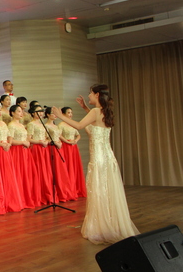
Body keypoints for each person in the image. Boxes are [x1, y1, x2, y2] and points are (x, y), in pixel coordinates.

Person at [52, 84, 139, 244]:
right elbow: (95, 122)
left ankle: (101, 227)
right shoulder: (104, 111)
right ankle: (109, 223)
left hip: (98, 158)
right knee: (107, 191)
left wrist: (60, 116)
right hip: (108, 157)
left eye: (90, 93)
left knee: (99, 190)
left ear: (97, 95)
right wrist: (85, 107)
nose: (89, 96)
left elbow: (79, 126)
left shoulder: (95, 112)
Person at [0, 103, 23, 213]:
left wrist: (8, 144)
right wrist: (2, 144)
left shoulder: (3, 123)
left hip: (5, 149)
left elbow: (9, 136)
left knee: (7, 174)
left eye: (0, 110)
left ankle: (10, 200)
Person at [7, 105, 39, 208]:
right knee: (19, 174)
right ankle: (19, 198)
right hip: (17, 152)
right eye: (18, 111)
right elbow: (10, 141)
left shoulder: (21, 125)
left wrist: (27, 142)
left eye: (21, 111)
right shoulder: (11, 125)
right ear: (12, 113)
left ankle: (26, 197)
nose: (21, 113)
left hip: (25, 151)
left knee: (26, 174)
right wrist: (22, 142)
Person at [44, 106, 76, 202]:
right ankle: (56, 193)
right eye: (53, 113)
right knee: (54, 170)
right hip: (52, 148)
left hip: (59, 148)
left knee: (61, 170)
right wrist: (54, 142)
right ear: (48, 115)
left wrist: (61, 142)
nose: (55, 115)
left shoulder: (56, 126)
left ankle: (64, 192)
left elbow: (59, 136)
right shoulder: (46, 126)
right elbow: (46, 138)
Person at [27, 105, 53, 205]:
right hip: (36, 148)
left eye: (42, 111)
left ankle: (47, 193)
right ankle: (38, 194)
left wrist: (46, 141)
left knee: (45, 170)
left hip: (44, 148)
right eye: (38, 111)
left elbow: (47, 137)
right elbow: (29, 139)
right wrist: (39, 142)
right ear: (33, 113)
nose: (41, 113)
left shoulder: (43, 124)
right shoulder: (31, 124)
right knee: (38, 170)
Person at [58, 107, 87, 198]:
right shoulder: (61, 125)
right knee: (68, 166)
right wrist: (67, 141)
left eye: (71, 112)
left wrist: (75, 140)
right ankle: (69, 189)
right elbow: (59, 135)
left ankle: (76, 188)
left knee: (74, 166)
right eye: (68, 112)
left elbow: (78, 135)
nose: (70, 114)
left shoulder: (72, 123)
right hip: (66, 147)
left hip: (73, 147)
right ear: (63, 114)